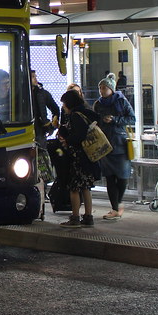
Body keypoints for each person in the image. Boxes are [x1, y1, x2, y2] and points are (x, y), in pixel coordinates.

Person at [56, 88, 101, 227]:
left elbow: (79, 135)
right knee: (86, 187)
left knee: (74, 188)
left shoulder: (76, 115)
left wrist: (67, 140)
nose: (63, 107)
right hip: (87, 158)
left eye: (64, 104)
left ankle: (75, 218)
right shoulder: (85, 112)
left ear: (69, 103)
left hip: (78, 158)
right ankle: (88, 217)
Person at [94, 72, 135, 220]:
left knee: (123, 177)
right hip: (105, 144)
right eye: (100, 88)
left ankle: (118, 203)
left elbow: (132, 118)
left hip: (120, 144)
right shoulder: (98, 104)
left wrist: (115, 119)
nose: (102, 91)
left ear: (111, 89)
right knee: (109, 178)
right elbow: (94, 120)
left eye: (104, 88)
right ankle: (114, 209)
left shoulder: (121, 101)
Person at [30, 70, 61, 147]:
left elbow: (55, 109)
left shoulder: (42, 93)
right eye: (33, 77)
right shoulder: (20, 94)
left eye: (35, 76)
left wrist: (52, 123)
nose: (35, 79)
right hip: (26, 129)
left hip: (41, 130)